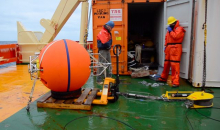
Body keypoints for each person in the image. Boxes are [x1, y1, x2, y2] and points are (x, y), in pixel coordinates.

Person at [158, 16, 186, 88]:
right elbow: (166, 38)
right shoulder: (170, 30)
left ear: (174, 22)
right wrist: (165, 46)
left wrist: (171, 31)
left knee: (175, 65)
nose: (170, 25)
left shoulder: (179, 29)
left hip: (176, 48)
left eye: (171, 24)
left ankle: (175, 82)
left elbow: (176, 37)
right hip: (169, 48)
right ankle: (163, 78)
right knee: (166, 64)